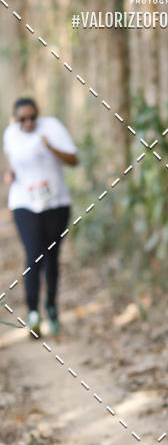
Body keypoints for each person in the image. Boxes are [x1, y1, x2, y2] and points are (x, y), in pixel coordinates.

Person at [3, 98, 78, 336]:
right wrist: (10, 175)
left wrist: (51, 148)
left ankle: (52, 308)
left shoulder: (52, 127)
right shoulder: (10, 134)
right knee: (33, 255)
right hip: (24, 202)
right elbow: (13, 163)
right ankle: (33, 313)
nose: (28, 123)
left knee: (51, 257)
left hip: (56, 203)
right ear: (15, 120)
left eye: (32, 117)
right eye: (22, 119)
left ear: (39, 115)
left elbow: (74, 160)